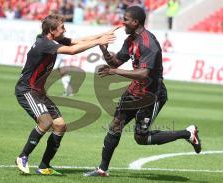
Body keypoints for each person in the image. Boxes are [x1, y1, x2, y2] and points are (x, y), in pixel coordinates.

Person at [84, 5, 201, 177]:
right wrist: (103, 49)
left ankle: (187, 133)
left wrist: (114, 72)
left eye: (126, 19)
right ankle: (102, 169)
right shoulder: (130, 40)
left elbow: (144, 73)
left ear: (135, 21)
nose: (122, 22)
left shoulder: (149, 44)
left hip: (151, 95)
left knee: (141, 138)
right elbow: (115, 62)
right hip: (134, 91)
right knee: (116, 124)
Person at [15, 13, 117, 175]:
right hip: (27, 90)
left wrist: (103, 35)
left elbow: (77, 41)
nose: (65, 30)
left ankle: (44, 166)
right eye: (62, 27)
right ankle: (23, 156)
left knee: (60, 125)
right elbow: (72, 51)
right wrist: (99, 41)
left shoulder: (50, 39)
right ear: (51, 30)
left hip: (38, 91)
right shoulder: (44, 44)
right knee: (46, 121)